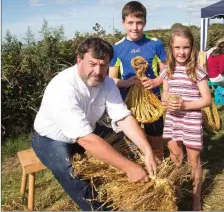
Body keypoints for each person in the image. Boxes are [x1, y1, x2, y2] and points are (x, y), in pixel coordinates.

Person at [32, 37, 157, 211]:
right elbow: (86, 140)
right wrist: (129, 167)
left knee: (127, 144)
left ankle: (140, 194)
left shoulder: (106, 82)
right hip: (52, 139)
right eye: (92, 64)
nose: (98, 71)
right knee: (70, 172)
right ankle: (101, 209)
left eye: (103, 65)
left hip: (88, 130)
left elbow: (123, 117)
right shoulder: (63, 87)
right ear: (79, 60)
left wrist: (147, 150)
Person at [161, 26, 211, 211]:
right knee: (175, 158)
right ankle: (177, 192)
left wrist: (185, 105)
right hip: (173, 120)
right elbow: (165, 94)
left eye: (186, 47)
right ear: (171, 49)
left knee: (194, 162)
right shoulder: (167, 70)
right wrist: (166, 103)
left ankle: (196, 198)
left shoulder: (197, 71)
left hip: (190, 120)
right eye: (177, 48)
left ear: (192, 48)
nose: (182, 52)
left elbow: (206, 99)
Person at [109, 1, 166, 162]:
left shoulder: (155, 44)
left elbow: (165, 71)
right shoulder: (117, 48)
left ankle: (160, 169)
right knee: (134, 143)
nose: (135, 27)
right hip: (128, 103)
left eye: (139, 23)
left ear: (145, 23)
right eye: (130, 23)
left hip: (152, 102)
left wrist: (156, 82)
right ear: (123, 23)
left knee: (155, 140)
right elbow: (111, 78)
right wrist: (128, 83)